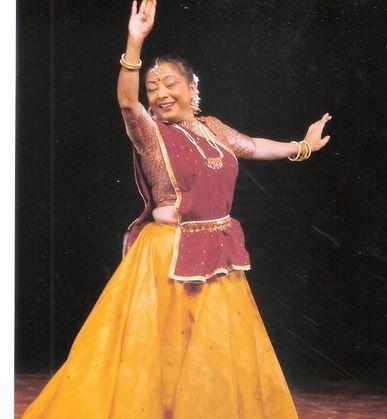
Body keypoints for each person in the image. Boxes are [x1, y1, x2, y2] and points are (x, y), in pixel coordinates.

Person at [22, 0, 332, 417]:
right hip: (166, 256)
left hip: (217, 256)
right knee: (158, 357)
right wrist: (135, 42)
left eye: (170, 83)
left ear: (191, 87)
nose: (161, 93)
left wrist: (303, 147)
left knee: (211, 358)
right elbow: (127, 102)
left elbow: (255, 146)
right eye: (153, 88)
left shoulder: (213, 128)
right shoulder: (149, 133)